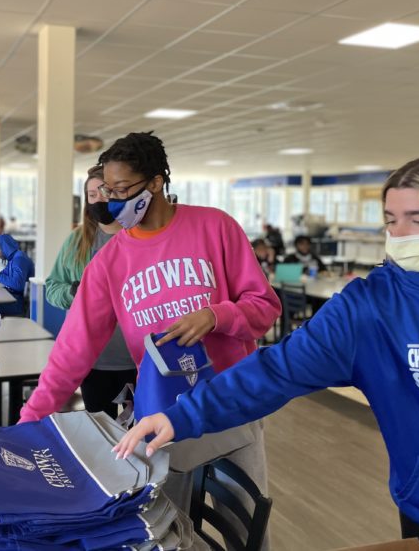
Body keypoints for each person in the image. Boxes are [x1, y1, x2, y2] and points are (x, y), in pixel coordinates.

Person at [116, 153, 419, 550]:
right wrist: (183, 414)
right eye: (392, 220)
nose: (402, 233)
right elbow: (277, 370)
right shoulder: (369, 307)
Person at [19, 132, 281, 532]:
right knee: (160, 532)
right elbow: (72, 352)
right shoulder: (110, 263)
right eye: (108, 190)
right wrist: (28, 424)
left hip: (232, 404)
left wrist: (216, 315)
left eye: (123, 189)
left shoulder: (216, 227)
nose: (112, 201)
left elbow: (265, 309)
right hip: (161, 417)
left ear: (157, 182)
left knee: (244, 529)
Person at [44, 165, 137, 417]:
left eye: (103, 192)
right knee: (98, 430)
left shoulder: (139, 238)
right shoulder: (77, 241)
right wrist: (74, 293)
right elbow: (52, 288)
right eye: (91, 195)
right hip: (92, 358)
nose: (98, 200)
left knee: (139, 431)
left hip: (138, 358)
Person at [0, 234, 35, 317]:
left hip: (19, 304)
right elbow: (2, 274)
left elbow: (17, 285)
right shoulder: (13, 259)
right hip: (15, 298)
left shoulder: (19, 259)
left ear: (6, 247)